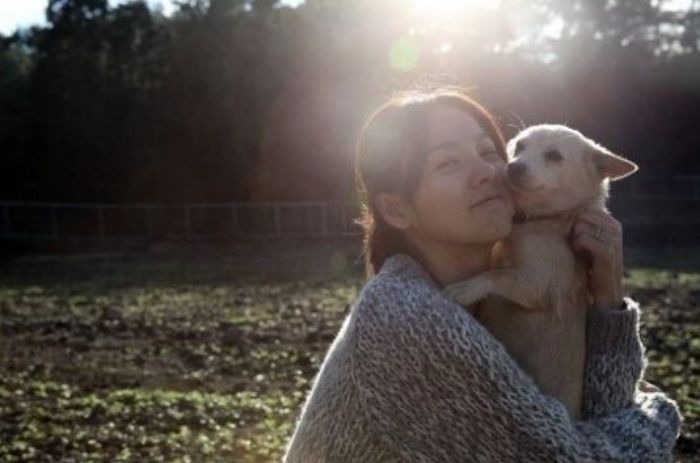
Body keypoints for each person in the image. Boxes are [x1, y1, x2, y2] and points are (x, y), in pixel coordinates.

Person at [282, 89, 682, 462]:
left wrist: (608, 296)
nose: (492, 173)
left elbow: (588, 414)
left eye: (488, 151)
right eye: (448, 163)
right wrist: (659, 417)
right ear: (398, 210)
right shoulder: (408, 317)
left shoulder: (470, 301)